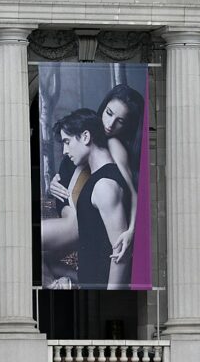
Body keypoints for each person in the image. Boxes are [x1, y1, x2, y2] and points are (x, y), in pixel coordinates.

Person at [47, 84, 144, 266]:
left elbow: (133, 192)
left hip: (78, 220)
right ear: (103, 106)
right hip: (68, 207)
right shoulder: (88, 131)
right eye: (108, 113)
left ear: (128, 125)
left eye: (120, 121)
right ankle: (67, 281)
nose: (109, 124)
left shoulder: (114, 144)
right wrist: (54, 183)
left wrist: (131, 230)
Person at [52, 109, 132, 289]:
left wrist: (112, 297)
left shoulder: (104, 185)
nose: (65, 150)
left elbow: (122, 253)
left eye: (67, 141)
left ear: (86, 136)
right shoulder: (96, 179)